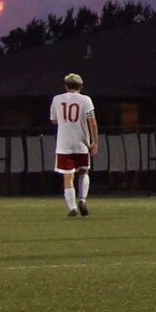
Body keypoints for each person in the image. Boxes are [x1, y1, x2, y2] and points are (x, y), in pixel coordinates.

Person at [50, 73, 98, 218]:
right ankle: (82, 199)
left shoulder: (57, 99)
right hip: (81, 143)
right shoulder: (86, 100)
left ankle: (72, 207)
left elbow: (53, 120)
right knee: (83, 171)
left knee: (67, 176)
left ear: (65, 86)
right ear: (81, 86)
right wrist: (95, 142)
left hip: (64, 143)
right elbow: (92, 122)